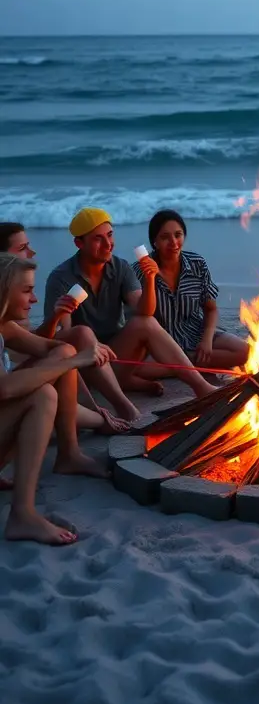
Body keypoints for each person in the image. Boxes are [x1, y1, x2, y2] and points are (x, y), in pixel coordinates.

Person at [44, 208, 217, 400]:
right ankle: (127, 383)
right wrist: (60, 319)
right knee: (85, 334)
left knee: (144, 322)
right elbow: (64, 335)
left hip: (120, 355)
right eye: (97, 239)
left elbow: (145, 311)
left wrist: (150, 278)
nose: (108, 244)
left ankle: (200, 387)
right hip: (87, 364)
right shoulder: (61, 278)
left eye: (110, 235)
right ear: (79, 243)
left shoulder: (121, 267)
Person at [0, 253, 107, 544]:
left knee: (64, 354)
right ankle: (22, 514)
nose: (34, 299)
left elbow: (54, 348)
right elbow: (5, 390)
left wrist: (87, 351)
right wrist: (73, 361)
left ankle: (69, 454)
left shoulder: (4, 327)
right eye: (26, 291)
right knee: (44, 394)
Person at [0, 221, 137, 426]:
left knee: (75, 342)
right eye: (22, 248)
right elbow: (7, 384)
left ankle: (116, 409)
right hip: (17, 391)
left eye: (110, 235)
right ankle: (98, 419)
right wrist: (76, 358)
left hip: (31, 373)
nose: (32, 252)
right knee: (64, 360)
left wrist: (85, 349)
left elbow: (43, 344)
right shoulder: (53, 280)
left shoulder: (12, 307)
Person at [132, 210, 249, 377]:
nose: (173, 242)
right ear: (154, 242)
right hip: (160, 344)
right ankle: (191, 364)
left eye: (178, 235)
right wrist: (150, 278)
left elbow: (211, 309)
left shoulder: (196, 264)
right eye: (165, 237)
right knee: (136, 368)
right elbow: (141, 315)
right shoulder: (139, 270)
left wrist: (207, 341)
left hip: (195, 333)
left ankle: (182, 366)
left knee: (243, 351)